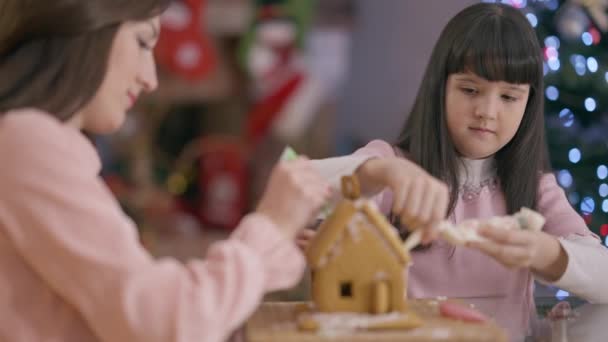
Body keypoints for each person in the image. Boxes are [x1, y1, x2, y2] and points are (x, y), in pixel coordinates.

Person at [0, 1, 330, 341]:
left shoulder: (33, 145)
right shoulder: (26, 142)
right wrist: (271, 225)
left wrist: (279, 236)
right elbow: (166, 323)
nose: (150, 79)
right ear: (86, 26)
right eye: (143, 42)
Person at [300, 2, 608, 339]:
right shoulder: (391, 166)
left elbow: (602, 275)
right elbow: (298, 183)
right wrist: (379, 173)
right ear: (440, 87)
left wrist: (547, 252)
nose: (487, 112)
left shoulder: (536, 189)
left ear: (528, 104)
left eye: (509, 97)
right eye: (470, 90)